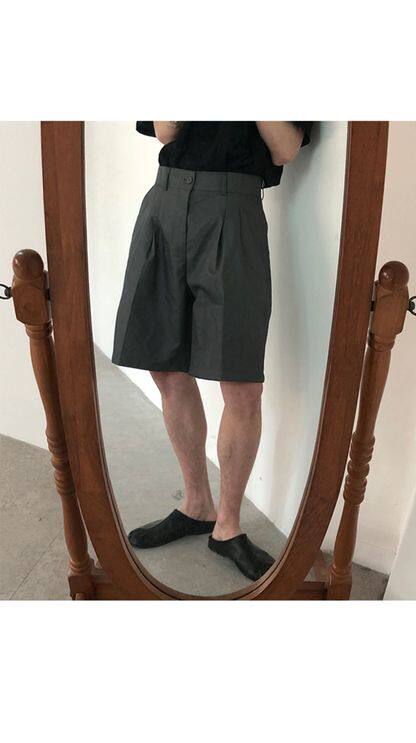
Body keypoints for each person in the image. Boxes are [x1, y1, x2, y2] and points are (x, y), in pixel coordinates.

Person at [112, 121, 312, 581]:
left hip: (234, 207)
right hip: (164, 202)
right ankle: (196, 504)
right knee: (165, 368)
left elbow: (284, 149)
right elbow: (165, 130)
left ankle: (228, 526)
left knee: (241, 384)